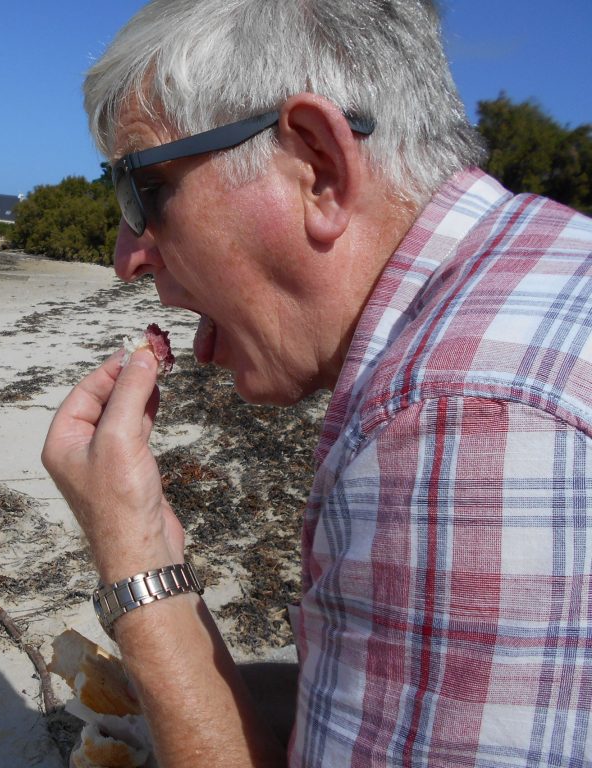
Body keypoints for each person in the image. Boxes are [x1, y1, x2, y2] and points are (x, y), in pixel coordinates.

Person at [41, 1, 592, 765]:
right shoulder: (539, 270)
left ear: (317, 167)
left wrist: (135, 565)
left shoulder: (460, 428)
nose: (126, 253)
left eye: (142, 189)